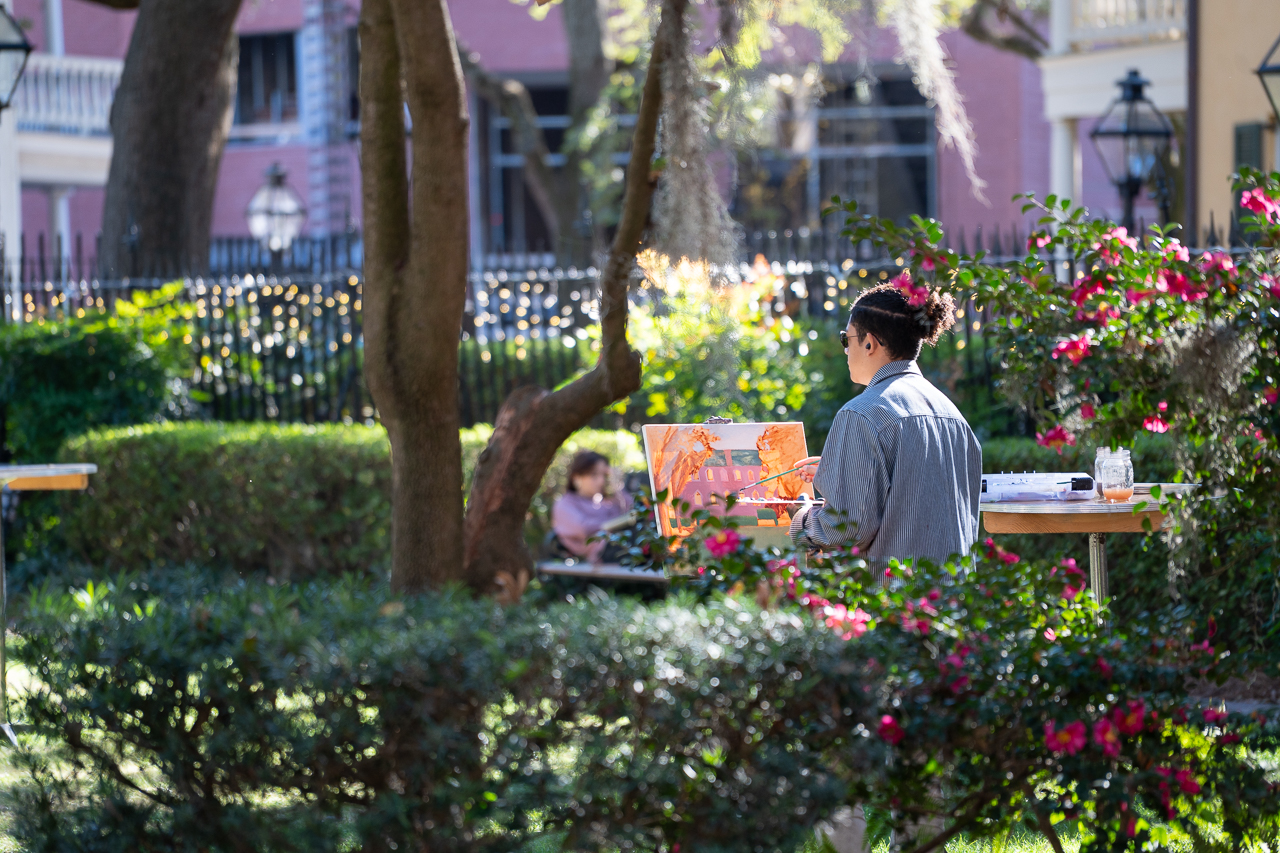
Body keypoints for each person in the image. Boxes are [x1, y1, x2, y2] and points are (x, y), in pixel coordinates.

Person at [789, 282, 982, 565]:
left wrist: (801, 517)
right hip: (955, 601)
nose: (845, 350)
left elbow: (846, 530)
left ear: (869, 343)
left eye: (846, 339)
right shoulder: (952, 415)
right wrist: (847, 467)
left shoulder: (861, 414)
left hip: (893, 602)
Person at [551, 450, 631, 563]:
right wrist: (613, 523)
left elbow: (631, 511)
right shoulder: (565, 503)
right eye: (594, 475)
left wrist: (617, 486)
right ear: (577, 477)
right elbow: (583, 528)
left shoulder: (606, 501)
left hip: (621, 555)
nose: (601, 481)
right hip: (593, 563)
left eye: (604, 475)